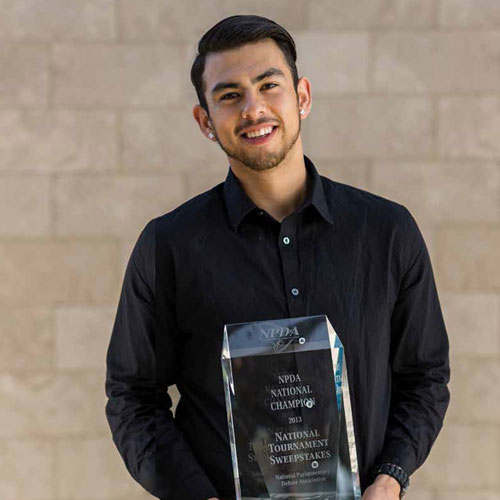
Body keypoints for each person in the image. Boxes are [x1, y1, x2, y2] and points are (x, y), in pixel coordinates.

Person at [105, 14, 450, 500]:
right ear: (205, 120)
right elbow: (132, 398)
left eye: (269, 85)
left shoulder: (388, 233)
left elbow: (425, 377)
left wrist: (390, 479)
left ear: (302, 96)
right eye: (229, 95)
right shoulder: (167, 247)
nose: (253, 108)